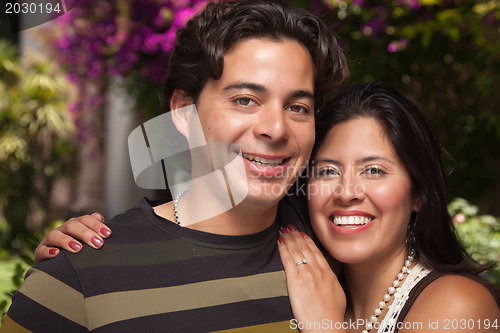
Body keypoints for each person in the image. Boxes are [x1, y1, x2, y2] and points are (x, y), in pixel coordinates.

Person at [0, 0, 348, 331]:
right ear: (183, 112)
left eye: (298, 107)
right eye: (245, 100)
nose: (275, 128)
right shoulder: (78, 278)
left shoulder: (341, 246)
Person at [278, 82, 500, 333]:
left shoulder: (460, 305)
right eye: (328, 171)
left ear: (417, 193)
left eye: (373, 170)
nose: (346, 192)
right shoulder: (307, 296)